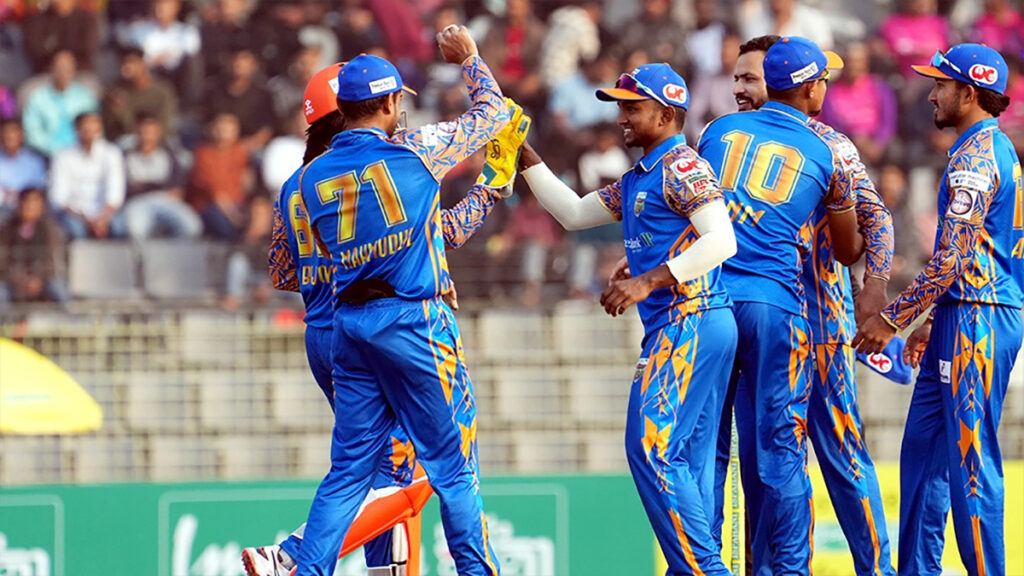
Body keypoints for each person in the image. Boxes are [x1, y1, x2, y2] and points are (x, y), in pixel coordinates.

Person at [245, 60, 528, 576]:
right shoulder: (411, 152)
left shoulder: (300, 183)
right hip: (408, 322)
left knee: (357, 472)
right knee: (434, 471)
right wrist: (469, 57)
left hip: (337, 327)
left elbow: (284, 273)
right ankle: (289, 556)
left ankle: (304, 564)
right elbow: (492, 118)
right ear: (387, 102)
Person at [517, 62, 738, 575]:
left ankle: (706, 569)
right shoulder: (643, 176)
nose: (621, 117)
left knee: (651, 448)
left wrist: (647, 280)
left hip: (691, 319)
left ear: (665, 114)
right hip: (693, 323)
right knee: (687, 459)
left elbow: (722, 240)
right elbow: (574, 213)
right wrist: (524, 155)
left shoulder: (681, 166)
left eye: (632, 108)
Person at [710, 34, 898, 576]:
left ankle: (877, 570)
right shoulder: (730, 139)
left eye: (750, 78)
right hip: (762, 325)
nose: (740, 88)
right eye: (737, 78)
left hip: (818, 326)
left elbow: (877, 219)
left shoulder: (830, 145)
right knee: (762, 463)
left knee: (841, 458)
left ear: (777, 81)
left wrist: (874, 287)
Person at [854, 43, 1023, 576]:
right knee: (923, 456)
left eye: (940, 85)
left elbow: (952, 258)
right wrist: (931, 318)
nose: (931, 95)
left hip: (979, 317)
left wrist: (891, 318)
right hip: (961, 313)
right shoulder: (987, 148)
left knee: (971, 462)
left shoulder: (975, 159)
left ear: (968, 93)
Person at [49, 111, 126, 239]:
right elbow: (59, 198)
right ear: (76, 129)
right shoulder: (63, 157)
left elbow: (115, 193)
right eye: (85, 127)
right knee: (75, 230)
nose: (89, 132)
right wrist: (87, 221)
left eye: (94, 127)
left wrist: (102, 219)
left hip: (106, 213)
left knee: (119, 227)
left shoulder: (112, 153)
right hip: (75, 215)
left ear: (100, 129)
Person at [0, 187, 69, 308]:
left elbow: (55, 262)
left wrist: (39, 280)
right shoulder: (6, 230)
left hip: (43, 280)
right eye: (26, 202)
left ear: (41, 206)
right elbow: (2, 262)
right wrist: (20, 280)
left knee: (59, 290)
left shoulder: (51, 229)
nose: (30, 207)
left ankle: (67, 319)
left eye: (34, 203)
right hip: (13, 281)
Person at [0, 117, 47, 224]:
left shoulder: (34, 162)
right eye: (6, 133)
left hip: (28, 209)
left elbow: (37, 190)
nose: (10, 136)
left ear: (21, 135)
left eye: (14, 132)